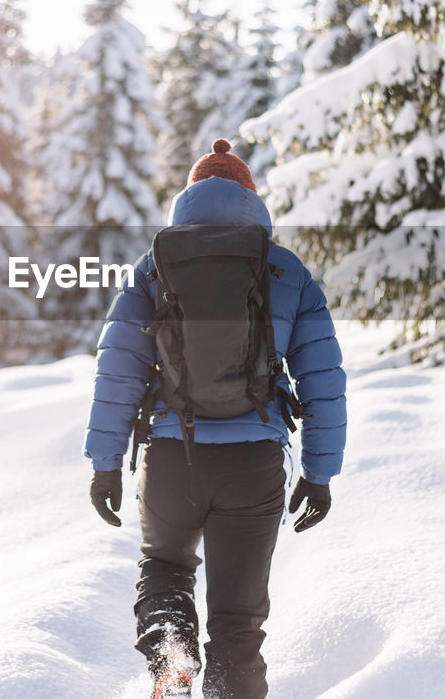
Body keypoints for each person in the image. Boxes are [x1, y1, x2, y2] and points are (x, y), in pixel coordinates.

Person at [84, 139, 348, 699]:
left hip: (172, 458)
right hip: (254, 465)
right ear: (251, 198)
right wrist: (320, 474)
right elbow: (323, 380)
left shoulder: (154, 266)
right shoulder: (284, 270)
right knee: (238, 623)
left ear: (189, 197)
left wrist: (106, 465)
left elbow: (118, 372)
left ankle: (173, 664)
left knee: (166, 570)